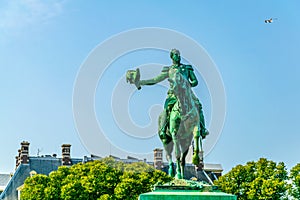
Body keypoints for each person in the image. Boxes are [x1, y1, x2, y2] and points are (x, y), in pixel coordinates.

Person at [138, 49, 208, 144]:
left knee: (198, 105)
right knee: (167, 109)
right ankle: (163, 129)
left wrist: (189, 85)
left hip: (187, 94)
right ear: (172, 57)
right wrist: (141, 82)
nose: (178, 57)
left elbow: (195, 81)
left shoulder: (187, 68)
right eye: (176, 55)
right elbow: (155, 80)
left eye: (179, 55)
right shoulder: (169, 70)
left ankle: (203, 129)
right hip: (173, 94)